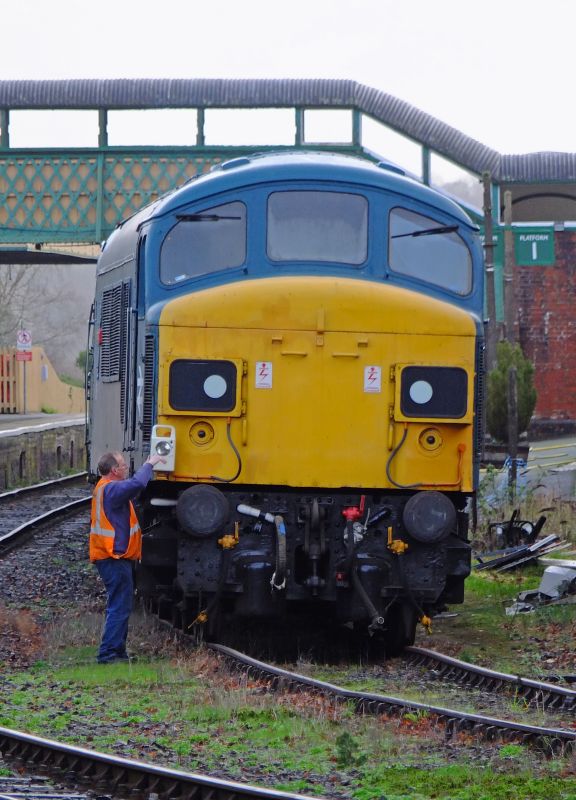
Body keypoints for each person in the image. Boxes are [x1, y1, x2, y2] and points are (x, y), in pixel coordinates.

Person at [90, 451, 165, 663]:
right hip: (112, 557)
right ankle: (108, 654)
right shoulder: (112, 489)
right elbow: (137, 484)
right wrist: (150, 464)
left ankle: (117, 652)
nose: (126, 468)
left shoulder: (104, 488)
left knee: (121, 604)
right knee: (119, 606)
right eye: (123, 465)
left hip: (112, 556)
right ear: (114, 470)